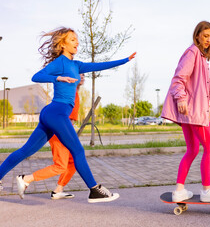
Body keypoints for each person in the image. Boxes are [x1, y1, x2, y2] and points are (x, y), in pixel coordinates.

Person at [0, 27, 136, 203]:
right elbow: (36, 76)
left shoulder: (76, 64)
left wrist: (125, 60)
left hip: (53, 114)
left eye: (76, 39)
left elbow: (99, 66)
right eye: (72, 39)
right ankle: (94, 190)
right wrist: (58, 78)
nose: (76, 42)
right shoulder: (60, 62)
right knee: (77, 150)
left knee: (27, 150)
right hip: (56, 112)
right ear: (63, 44)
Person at [161, 21, 210, 203]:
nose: (208, 40)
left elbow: (207, 86)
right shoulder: (192, 52)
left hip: (188, 111)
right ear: (197, 34)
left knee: (192, 149)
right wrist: (181, 98)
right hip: (194, 112)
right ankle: (207, 190)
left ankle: (179, 190)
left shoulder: (201, 57)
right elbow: (179, 78)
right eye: (205, 35)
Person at [19, 73, 84, 200]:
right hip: (59, 132)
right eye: (79, 74)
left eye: (83, 74)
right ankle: (26, 179)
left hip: (65, 131)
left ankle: (58, 189)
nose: (82, 76)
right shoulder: (68, 94)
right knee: (60, 165)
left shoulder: (75, 93)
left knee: (73, 162)